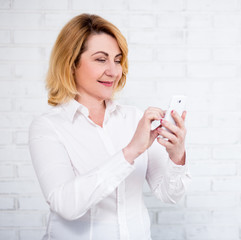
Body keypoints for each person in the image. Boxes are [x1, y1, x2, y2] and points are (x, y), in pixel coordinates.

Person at [29, 13, 191, 240]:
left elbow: (169, 195)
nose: (114, 71)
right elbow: (65, 205)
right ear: (71, 62)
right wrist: (130, 152)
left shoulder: (135, 118)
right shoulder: (47, 127)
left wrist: (177, 155)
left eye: (117, 59)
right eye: (100, 59)